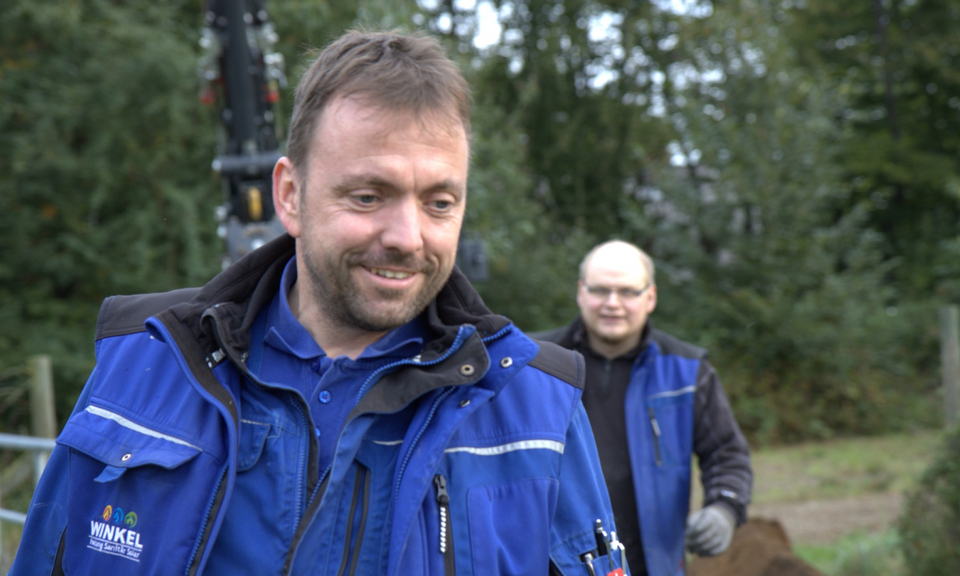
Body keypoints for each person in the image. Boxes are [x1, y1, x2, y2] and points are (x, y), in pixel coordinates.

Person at [11, 31, 627, 576]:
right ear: (290, 194)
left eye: (439, 203)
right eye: (368, 196)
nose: (408, 237)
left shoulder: (535, 407)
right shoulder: (142, 364)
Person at [535, 240, 753, 576]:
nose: (612, 303)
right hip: (553, 566)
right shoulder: (535, 364)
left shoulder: (688, 372)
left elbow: (727, 453)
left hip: (653, 565)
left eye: (627, 292)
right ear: (581, 292)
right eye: (600, 290)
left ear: (650, 297)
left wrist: (725, 506)